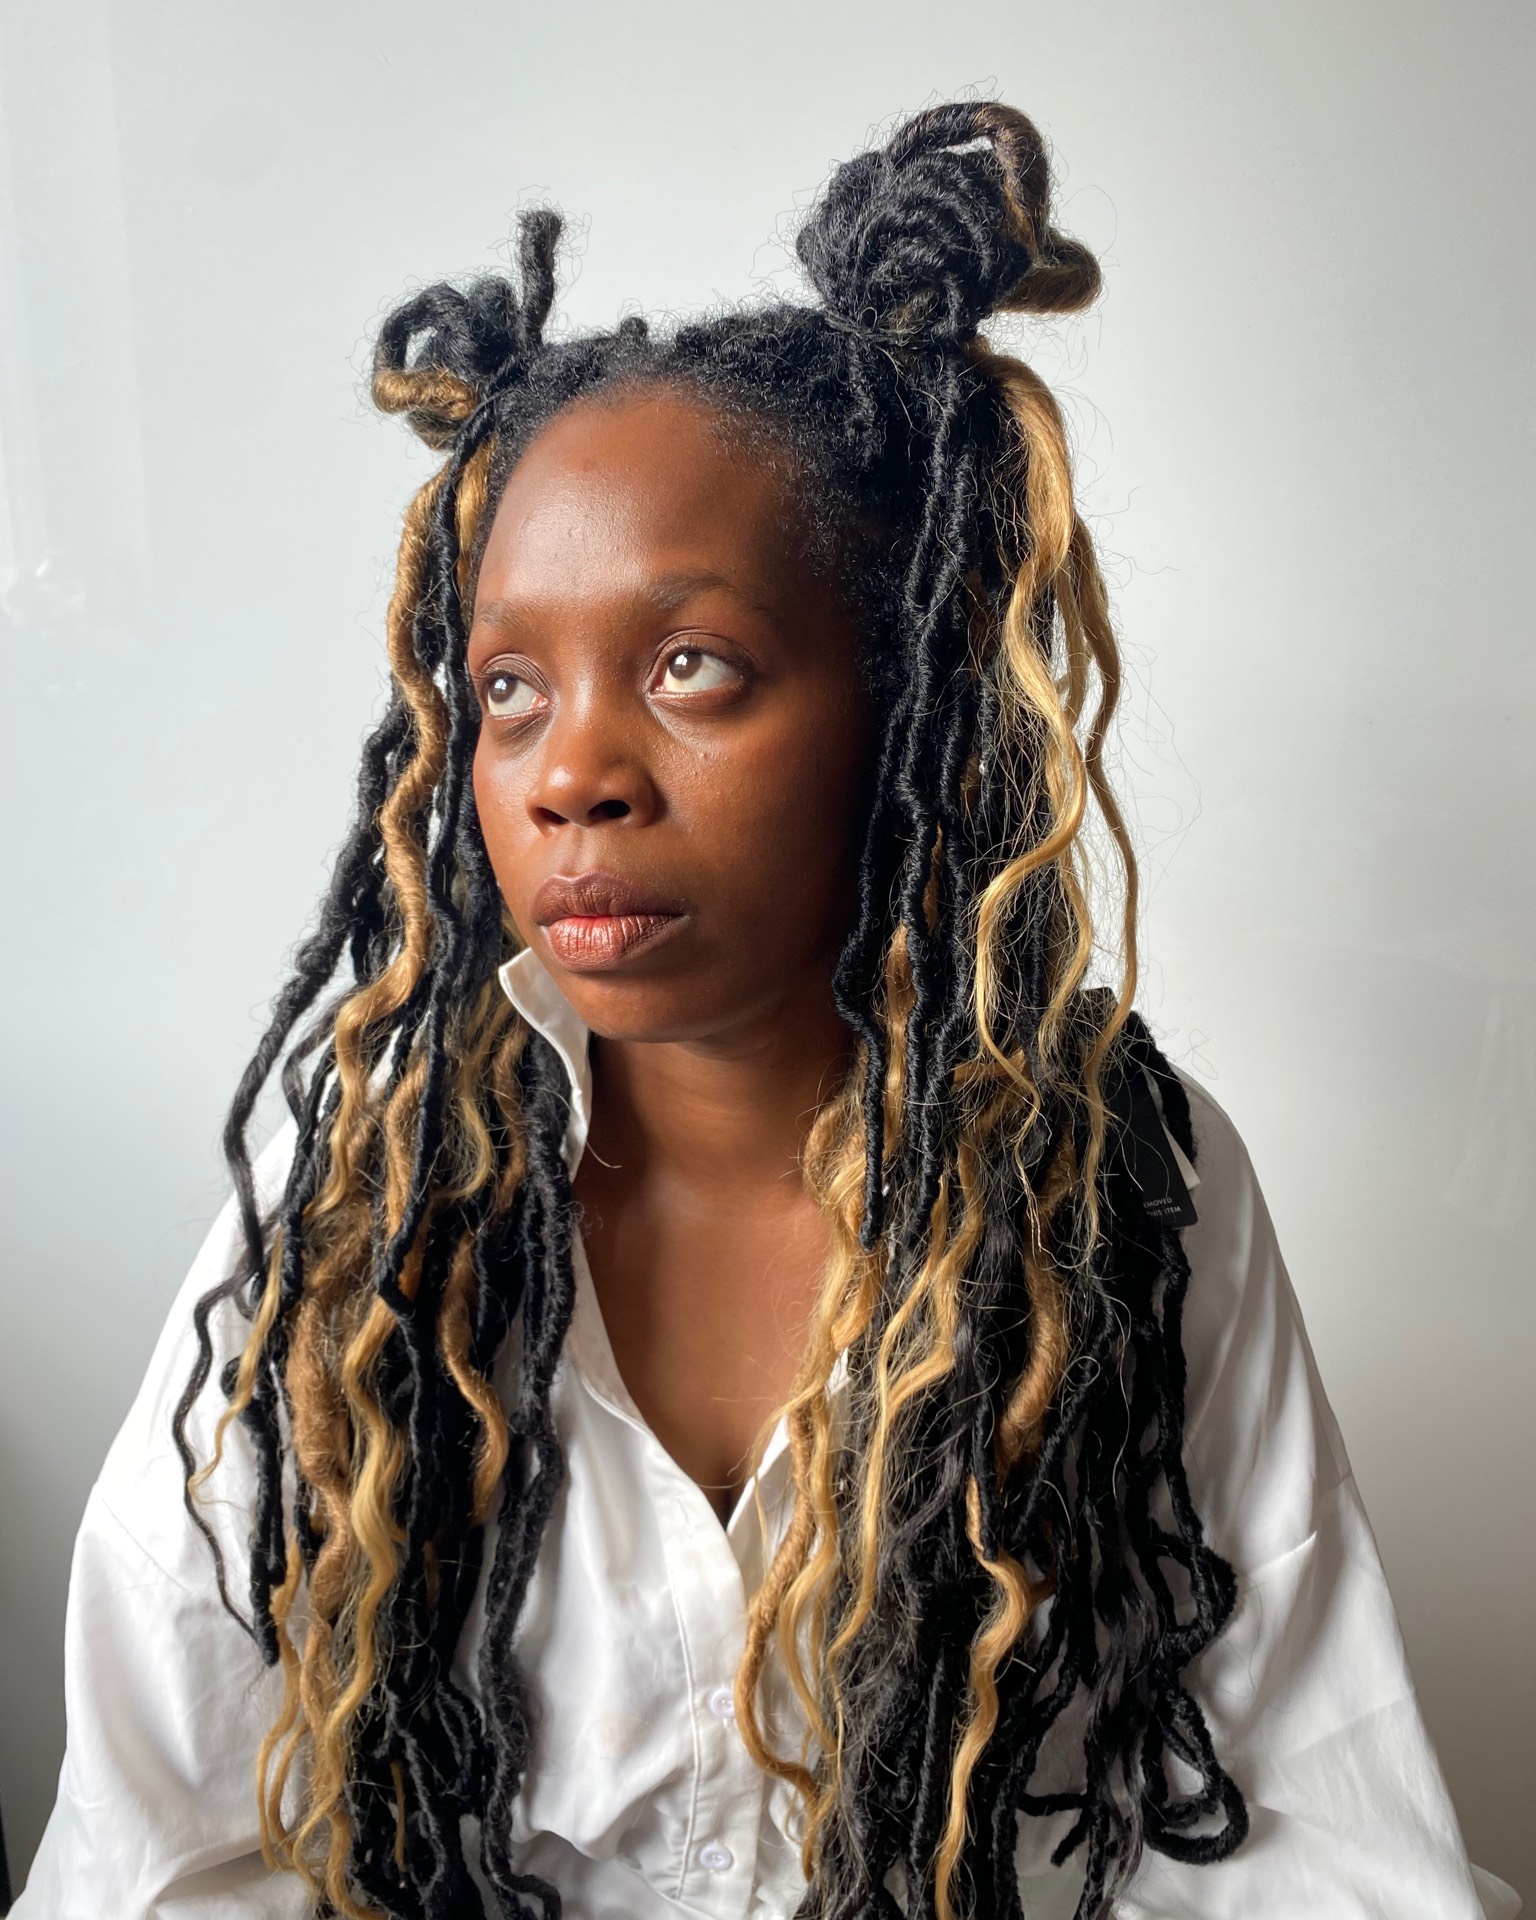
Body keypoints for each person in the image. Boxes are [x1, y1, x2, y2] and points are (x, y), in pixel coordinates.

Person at [13, 102, 1520, 1920]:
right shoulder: (356, 1203)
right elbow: (156, 1856)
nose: (569, 773)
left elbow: (1313, 1832)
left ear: (904, 698)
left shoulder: (1122, 1181)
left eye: (691, 666)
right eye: (508, 688)